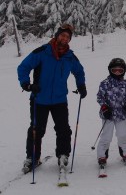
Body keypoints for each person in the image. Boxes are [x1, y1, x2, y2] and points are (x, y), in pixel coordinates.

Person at [17, 24, 87, 172]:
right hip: (39, 98)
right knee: (36, 129)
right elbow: (23, 67)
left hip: (60, 99)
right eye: (63, 35)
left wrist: (81, 85)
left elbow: (79, 71)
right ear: (57, 35)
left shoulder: (70, 57)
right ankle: (32, 157)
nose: (65, 38)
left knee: (63, 129)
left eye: (68, 37)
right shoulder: (42, 52)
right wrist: (26, 84)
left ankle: (63, 154)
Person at [96, 58, 126, 166]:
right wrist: (104, 108)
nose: (117, 72)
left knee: (123, 135)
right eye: (114, 70)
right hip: (108, 115)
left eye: (120, 71)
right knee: (106, 136)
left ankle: (125, 154)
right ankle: (102, 155)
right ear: (110, 70)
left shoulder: (125, 84)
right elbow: (100, 97)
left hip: (121, 115)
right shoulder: (105, 83)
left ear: (124, 71)